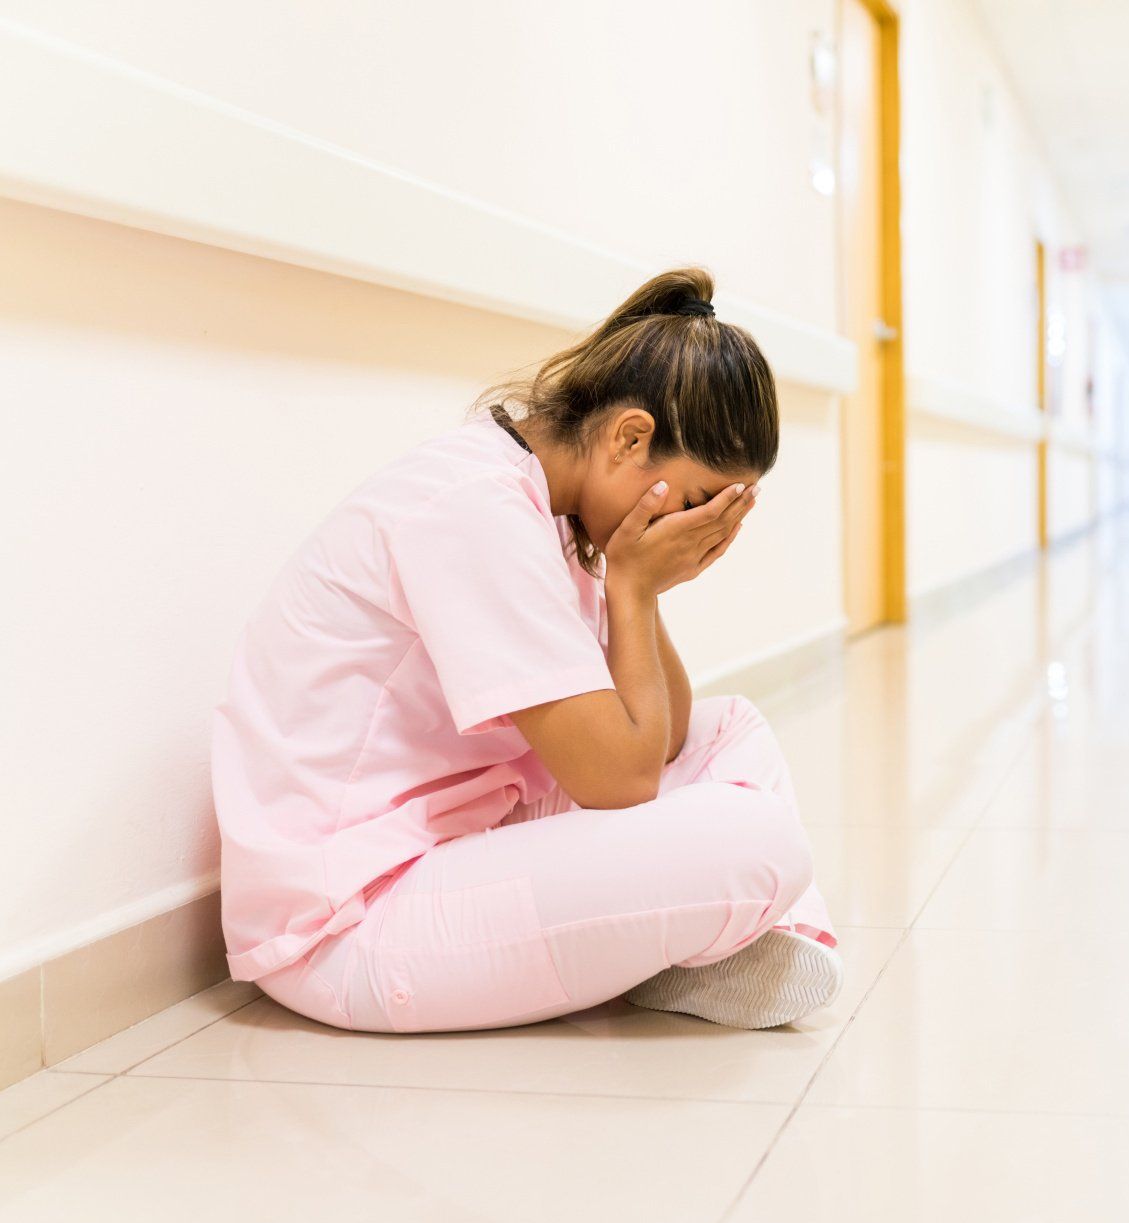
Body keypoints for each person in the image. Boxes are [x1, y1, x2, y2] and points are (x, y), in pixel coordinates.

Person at [210, 267, 839, 1035]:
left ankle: (719, 945)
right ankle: (715, 940)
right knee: (763, 842)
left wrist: (636, 585)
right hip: (348, 923)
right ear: (630, 437)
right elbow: (620, 778)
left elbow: (664, 737)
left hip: (459, 833)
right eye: (701, 498)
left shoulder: (547, 504)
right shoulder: (476, 509)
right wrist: (634, 590)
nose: (704, 527)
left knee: (731, 728)